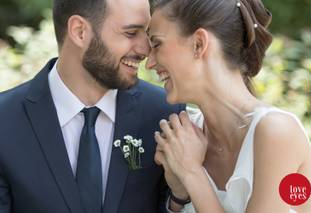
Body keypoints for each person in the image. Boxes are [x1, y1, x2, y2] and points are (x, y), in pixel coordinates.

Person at [0, 0, 185, 212]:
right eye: (131, 33)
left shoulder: (165, 114)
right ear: (79, 32)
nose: (146, 50)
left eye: (147, 33)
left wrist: (177, 199)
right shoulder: (4, 121)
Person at [146, 0, 311, 212]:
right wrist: (179, 195)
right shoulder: (186, 135)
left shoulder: (276, 133)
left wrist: (192, 173)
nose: (149, 63)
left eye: (156, 44)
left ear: (199, 44)